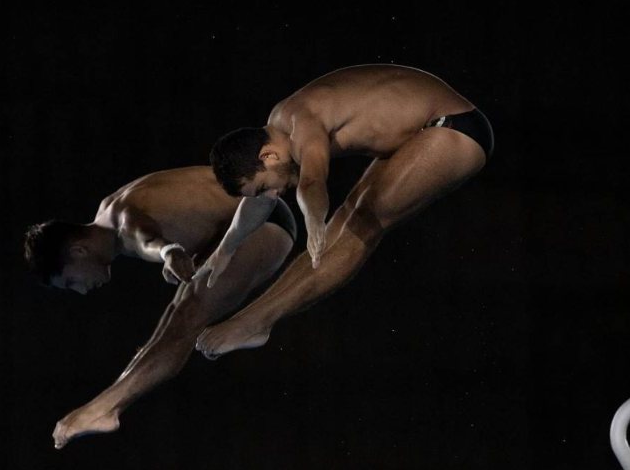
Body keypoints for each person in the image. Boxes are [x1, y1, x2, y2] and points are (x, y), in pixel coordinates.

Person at [194, 64, 492, 358]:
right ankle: (252, 322)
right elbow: (258, 201)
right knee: (350, 217)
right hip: (423, 130)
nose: (273, 196)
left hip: (453, 126)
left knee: (362, 226)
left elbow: (312, 181)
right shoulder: (278, 127)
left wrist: (313, 218)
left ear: (267, 155)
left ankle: (252, 323)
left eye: (263, 187)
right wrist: (225, 248)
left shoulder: (301, 123)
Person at [22, 166, 296, 448]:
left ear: (78, 251)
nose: (80, 291)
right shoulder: (108, 209)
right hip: (238, 223)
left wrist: (168, 252)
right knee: (173, 319)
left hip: (262, 219)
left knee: (187, 318)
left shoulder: (123, 222)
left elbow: (145, 238)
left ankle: (105, 408)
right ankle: (107, 405)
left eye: (70, 282)